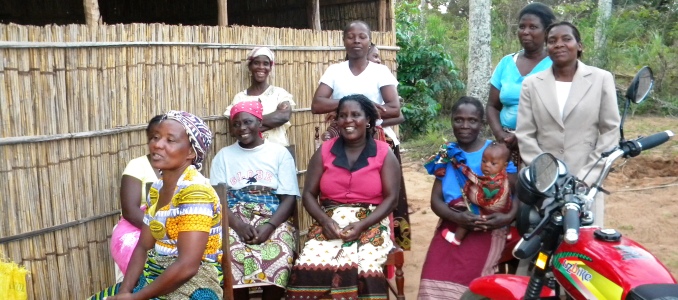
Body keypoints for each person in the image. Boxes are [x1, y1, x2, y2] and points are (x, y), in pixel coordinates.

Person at [91, 111, 222, 300]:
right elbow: (143, 247)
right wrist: (125, 292)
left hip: (195, 284)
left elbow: (188, 266)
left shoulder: (195, 192)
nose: (157, 145)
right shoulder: (158, 188)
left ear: (191, 152)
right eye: (156, 137)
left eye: (170, 140)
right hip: (155, 275)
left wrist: (136, 298)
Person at [286, 94, 401, 299]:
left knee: (366, 268)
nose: (348, 120)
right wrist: (325, 221)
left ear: (368, 121)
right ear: (337, 120)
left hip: (371, 220)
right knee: (308, 266)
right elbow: (309, 195)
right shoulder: (324, 151)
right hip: (330, 221)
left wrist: (363, 225)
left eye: (355, 115)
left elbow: (392, 199)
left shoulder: (384, 152)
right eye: (342, 115)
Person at [313, 21, 411, 250]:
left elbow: (394, 108)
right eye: (350, 36)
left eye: (362, 36)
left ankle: (384, 243)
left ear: (369, 41)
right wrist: (353, 103)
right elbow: (317, 104)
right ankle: (333, 228)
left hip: (374, 136)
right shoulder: (334, 71)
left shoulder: (380, 71)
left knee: (382, 192)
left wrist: (360, 110)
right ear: (344, 41)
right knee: (333, 186)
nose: (356, 41)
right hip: (339, 135)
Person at [516, 21, 620, 227]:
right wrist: (546, 176)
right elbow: (525, 133)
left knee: (582, 247)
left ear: (579, 46)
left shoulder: (601, 79)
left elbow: (610, 131)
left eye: (566, 39)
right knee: (542, 246)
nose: (559, 44)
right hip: (544, 185)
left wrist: (586, 177)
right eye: (552, 41)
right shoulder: (532, 83)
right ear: (547, 48)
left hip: (586, 182)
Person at [418, 97, 518, 300]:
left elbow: (516, 192)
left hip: (488, 225)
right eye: (458, 120)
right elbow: (436, 201)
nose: (465, 126)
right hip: (452, 222)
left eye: (472, 120)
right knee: (431, 276)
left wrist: (506, 219)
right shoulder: (446, 154)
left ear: (481, 123)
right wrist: (458, 219)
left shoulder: (497, 152)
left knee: (474, 286)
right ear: (451, 121)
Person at [210, 101, 299, 300]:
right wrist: (239, 226)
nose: (242, 128)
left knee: (282, 255)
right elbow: (218, 200)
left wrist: (269, 226)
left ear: (260, 123)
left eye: (248, 122)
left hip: (273, 217)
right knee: (231, 255)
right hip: (234, 218)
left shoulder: (279, 154)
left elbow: (289, 198)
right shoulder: (223, 156)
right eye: (236, 124)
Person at [486, 2, 556, 166]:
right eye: (522, 26)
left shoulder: (555, 64)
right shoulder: (506, 63)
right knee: (502, 189)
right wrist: (501, 135)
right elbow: (492, 106)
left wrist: (524, 136)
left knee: (533, 188)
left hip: (541, 144)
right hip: (505, 144)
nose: (525, 32)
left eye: (533, 27)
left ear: (546, 32)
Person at [109, 115, 162, 283]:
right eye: (155, 137)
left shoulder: (183, 169)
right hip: (135, 231)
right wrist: (161, 234)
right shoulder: (137, 165)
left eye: (169, 138)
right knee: (133, 285)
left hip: (169, 232)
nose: (160, 143)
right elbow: (130, 211)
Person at [428, 142, 512, 246]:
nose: (487, 166)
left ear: (505, 165)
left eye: (493, 164)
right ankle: (508, 234)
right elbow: (434, 200)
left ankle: (457, 238)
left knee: (471, 213)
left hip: (485, 212)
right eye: (484, 161)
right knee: (505, 207)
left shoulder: (492, 179)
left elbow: (476, 187)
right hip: (501, 211)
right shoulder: (503, 175)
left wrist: (464, 174)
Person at [225, 47, 295, 146]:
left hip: (278, 151)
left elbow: (283, 117)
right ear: (250, 67)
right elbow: (233, 130)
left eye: (266, 64)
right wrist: (272, 121)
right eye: (256, 63)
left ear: (270, 68)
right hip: (250, 154)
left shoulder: (279, 93)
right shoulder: (240, 98)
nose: (261, 67)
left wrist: (248, 125)